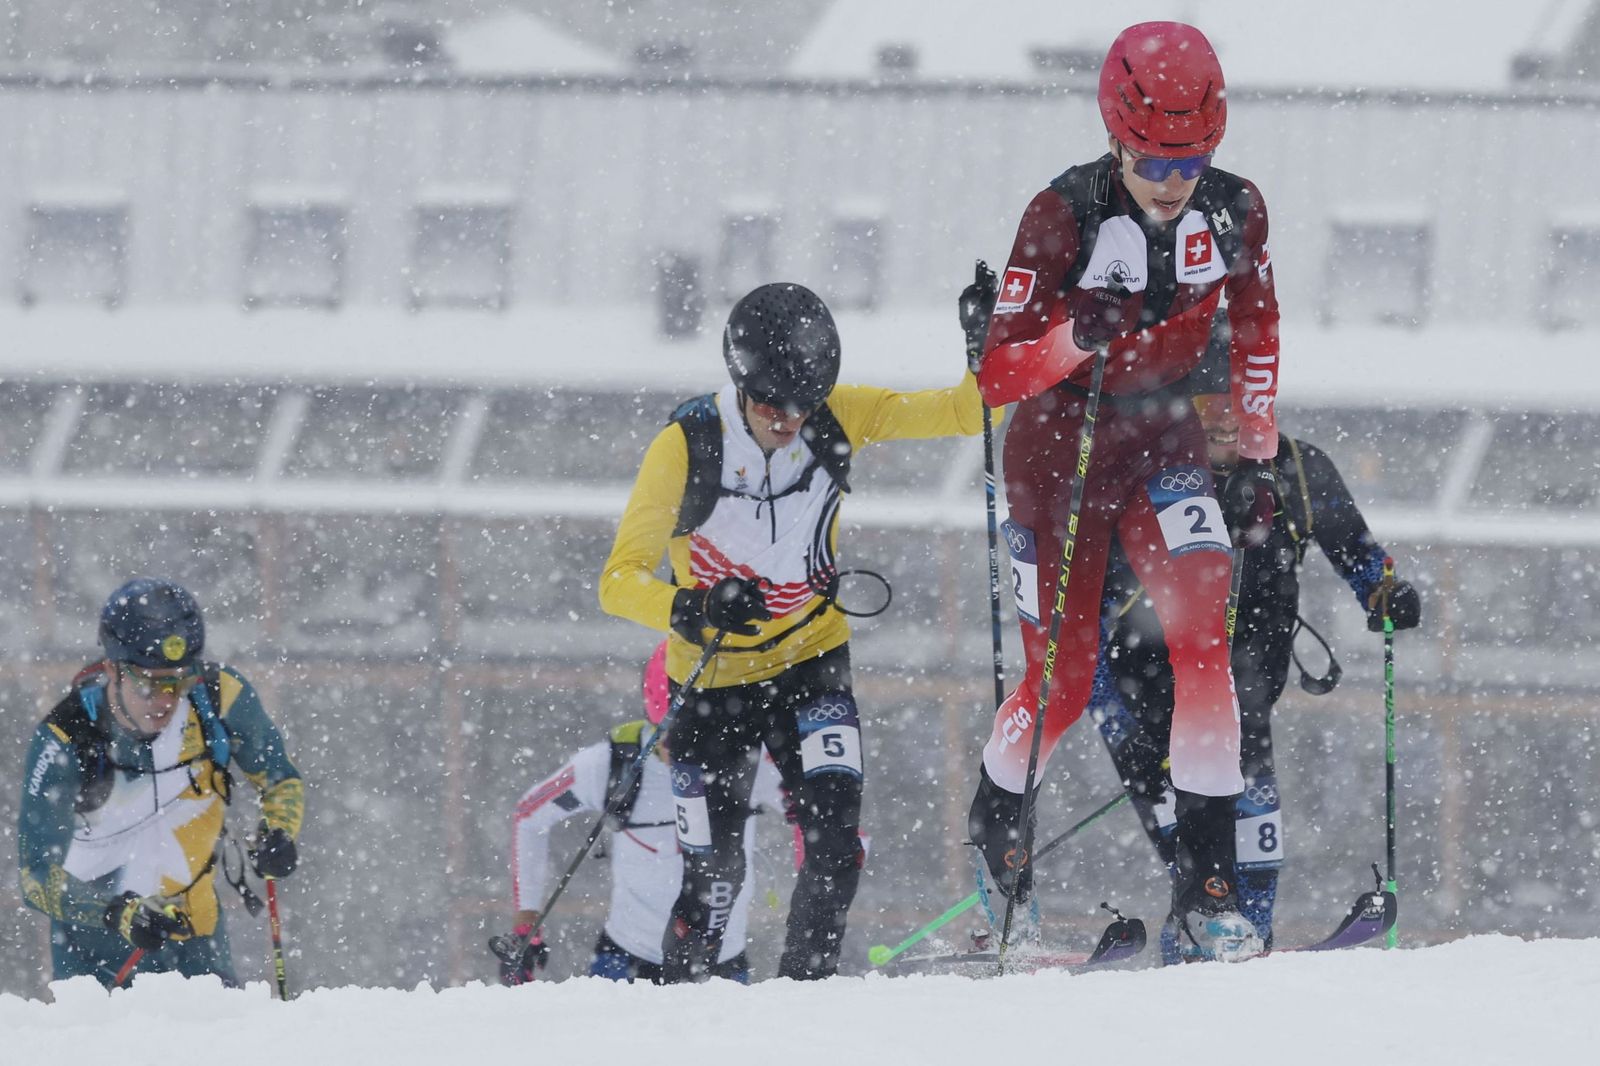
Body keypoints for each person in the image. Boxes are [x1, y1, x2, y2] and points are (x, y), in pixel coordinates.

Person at [965, 21, 1280, 961]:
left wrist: (1255, 457)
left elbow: (1259, 330)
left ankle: (1210, 891)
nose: (1176, 180)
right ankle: (999, 856)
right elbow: (998, 376)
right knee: (1060, 683)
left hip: (1161, 439)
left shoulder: (1234, 212)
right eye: (1154, 160)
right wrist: (1074, 337)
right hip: (1055, 455)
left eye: (1196, 159)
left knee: (1204, 634)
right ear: (1116, 136)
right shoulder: (1060, 214)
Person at [599, 280, 985, 981]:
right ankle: (681, 1014)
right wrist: (696, 606)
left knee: (837, 847)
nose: (788, 420)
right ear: (741, 383)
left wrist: (986, 348)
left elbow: (965, 414)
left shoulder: (839, 417)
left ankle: (803, 1007)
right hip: (712, 680)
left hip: (812, 662)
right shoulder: (686, 447)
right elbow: (617, 582)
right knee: (715, 874)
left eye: (802, 405)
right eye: (772, 405)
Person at [1090, 311, 1422, 961]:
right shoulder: (1143, 471)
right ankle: (1190, 952)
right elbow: (1086, 590)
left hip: (1241, 695)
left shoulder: (1298, 469)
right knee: (1202, 857)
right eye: (1205, 401)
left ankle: (1247, 959)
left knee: (1258, 846)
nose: (1224, 417)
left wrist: (1386, 593)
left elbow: (1358, 554)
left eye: (1239, 399)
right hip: (1143, 693)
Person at [17, 577, 304, 987]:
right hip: (96, 963)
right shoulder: (66, 737)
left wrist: (280, 831)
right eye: (149, 684)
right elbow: (34, 876)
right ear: (113, 668)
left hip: (199, 949)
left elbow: (279, 779)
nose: (166, 700)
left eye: (178, 681)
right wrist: (116, 912)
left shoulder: (220, 697)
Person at [494, 642, 785, 984]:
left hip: (718, 966)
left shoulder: (753, 765)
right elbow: (530, 816)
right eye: (670, 737)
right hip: (627, 964)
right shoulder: (610, 766)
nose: (684, 752)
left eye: (698, 738)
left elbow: (825, 822)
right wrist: (526, 921)